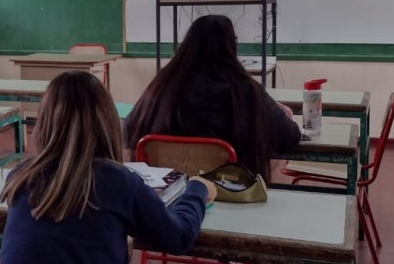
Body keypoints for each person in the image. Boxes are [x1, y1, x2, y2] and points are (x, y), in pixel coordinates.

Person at [0, 71, 216, 264]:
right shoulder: (118, 182)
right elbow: (178, 238)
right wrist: (197, 191)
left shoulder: (18, 178)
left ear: (44, 123)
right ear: (108, 122)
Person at [125, 14, 301, 180]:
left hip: (168, 193)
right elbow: (289, 139)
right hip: (232, 192)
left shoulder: (163, 84)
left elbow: (130, 129)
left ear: (187, 44)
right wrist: (279, 114)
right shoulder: (246, 89)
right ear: (233, 45)